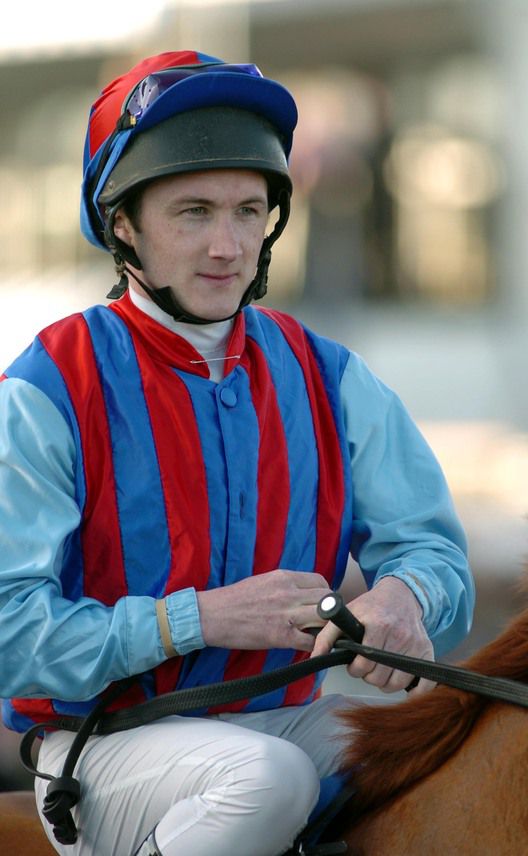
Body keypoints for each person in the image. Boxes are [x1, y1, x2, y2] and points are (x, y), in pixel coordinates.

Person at [0, 50, 474, 856]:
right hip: (103, 746)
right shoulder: (45, 389)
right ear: (123, 224)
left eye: (248, 211)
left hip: (280, 720)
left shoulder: (331, 375)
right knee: (266, 779)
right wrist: (199, 618)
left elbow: (432, 551)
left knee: (461, 753)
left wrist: (408, 599)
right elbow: (13, 634)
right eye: (193, 212)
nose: (227, 246)